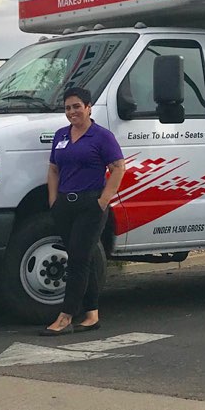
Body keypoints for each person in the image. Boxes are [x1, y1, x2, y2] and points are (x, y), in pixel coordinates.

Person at [41, 85, 126, 336]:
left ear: (88, 107)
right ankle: (91, 314)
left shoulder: (101, 136)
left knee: (77, 260)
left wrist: (103, 201)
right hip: (65, 206)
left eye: (77, 106)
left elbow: (118, 167)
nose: (72, 112)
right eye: (68, 108)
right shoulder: (61, 135)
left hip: (91, 205)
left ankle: (66, 316)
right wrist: (53, 201)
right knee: (82, 258)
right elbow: (53, 169)